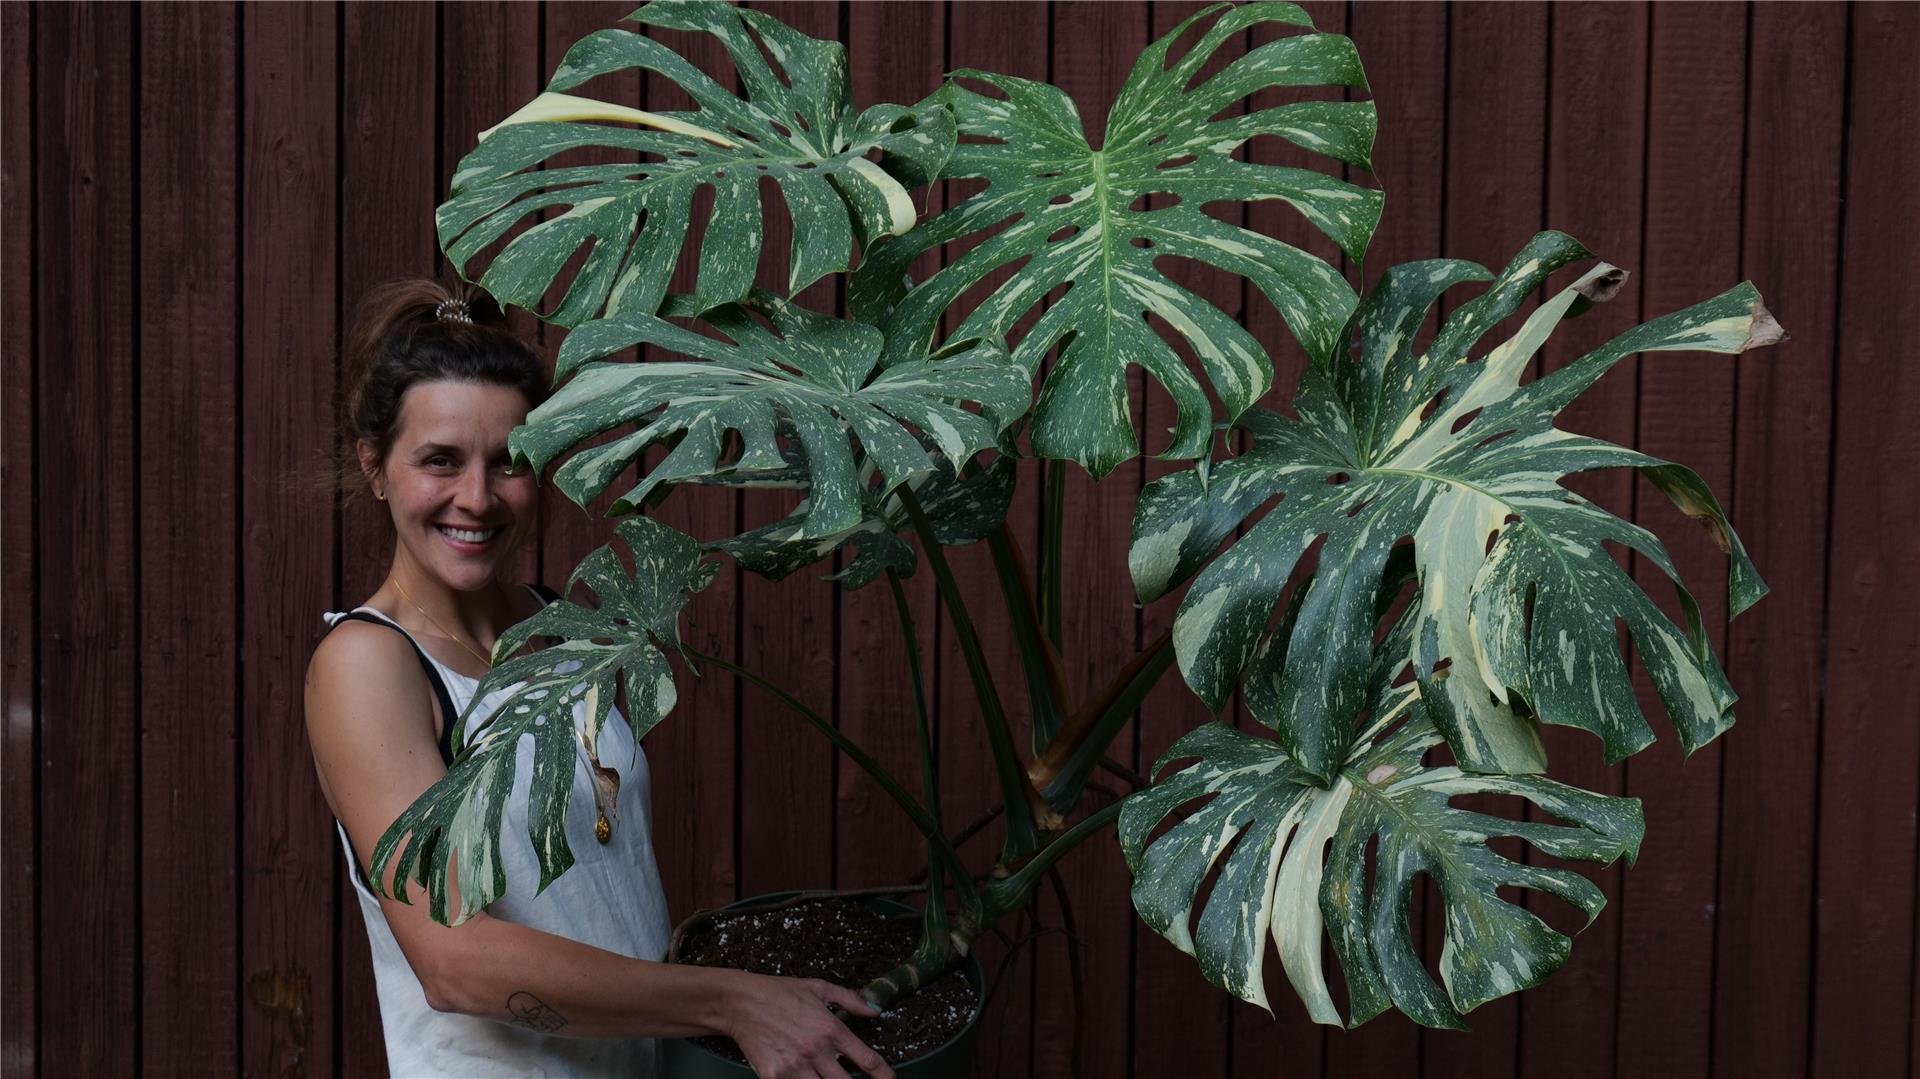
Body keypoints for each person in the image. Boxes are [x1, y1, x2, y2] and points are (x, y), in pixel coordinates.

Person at [303, 280, 894, 1078]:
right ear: (376, 467)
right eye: (439, 461)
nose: (476, 498)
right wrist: (730, 998)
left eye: (508, 462)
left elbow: (603, 894)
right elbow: (453, 959)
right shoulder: (370, 662)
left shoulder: (563, 629)